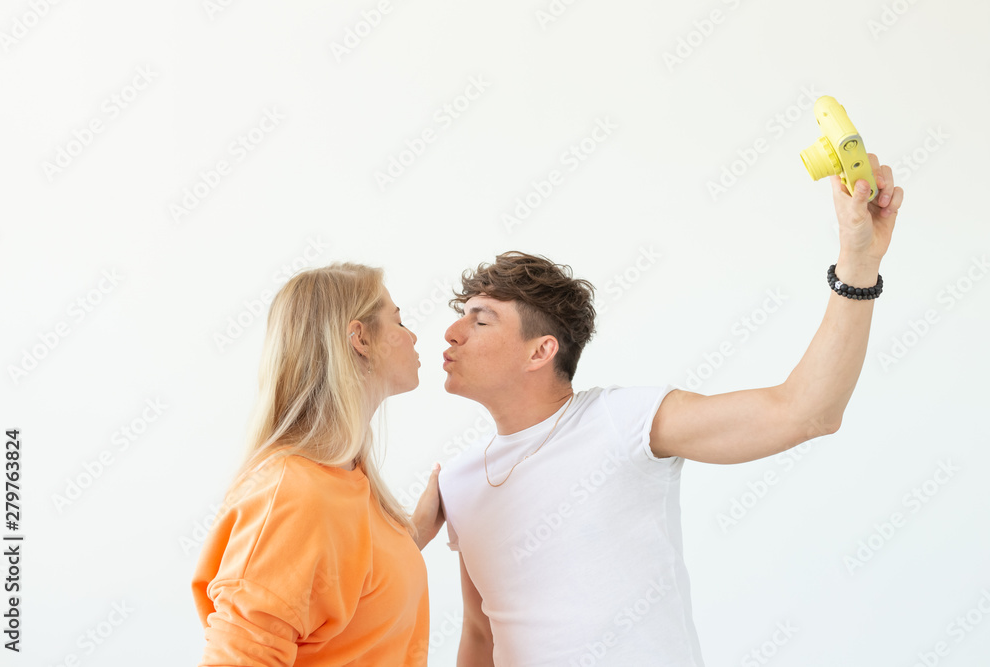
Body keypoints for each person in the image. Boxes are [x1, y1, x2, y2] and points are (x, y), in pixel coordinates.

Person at [437, 158, 904, 665]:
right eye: (460, 317)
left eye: (479, 321)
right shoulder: (458, 479)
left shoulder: (623, 420)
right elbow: (480, 635)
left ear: (540, 351)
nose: (451, 334)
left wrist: (858, 264)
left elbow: (804, 412)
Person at [192, 263, 444, 666]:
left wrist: (412, 536)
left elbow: (345, 603)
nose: (412, 335)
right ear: (359, 337)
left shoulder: (345, 479)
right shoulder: (294, 495)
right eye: (398, 320)